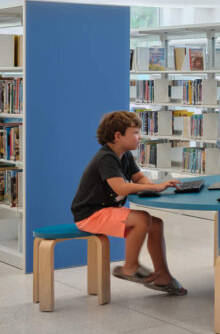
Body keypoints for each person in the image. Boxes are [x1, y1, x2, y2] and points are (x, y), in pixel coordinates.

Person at [71, 111, 187, 295]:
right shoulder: (106, 158)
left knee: (156, 224)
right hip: (90, 214)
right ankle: (130, 267)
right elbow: (120, 188)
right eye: (135, 133)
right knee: (142, 218)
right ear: (118, 136)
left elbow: (138, 177)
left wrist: (153, 185)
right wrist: (154, 188)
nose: (139, 137)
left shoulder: (124, 155)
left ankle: (163, 277)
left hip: (106, 210)